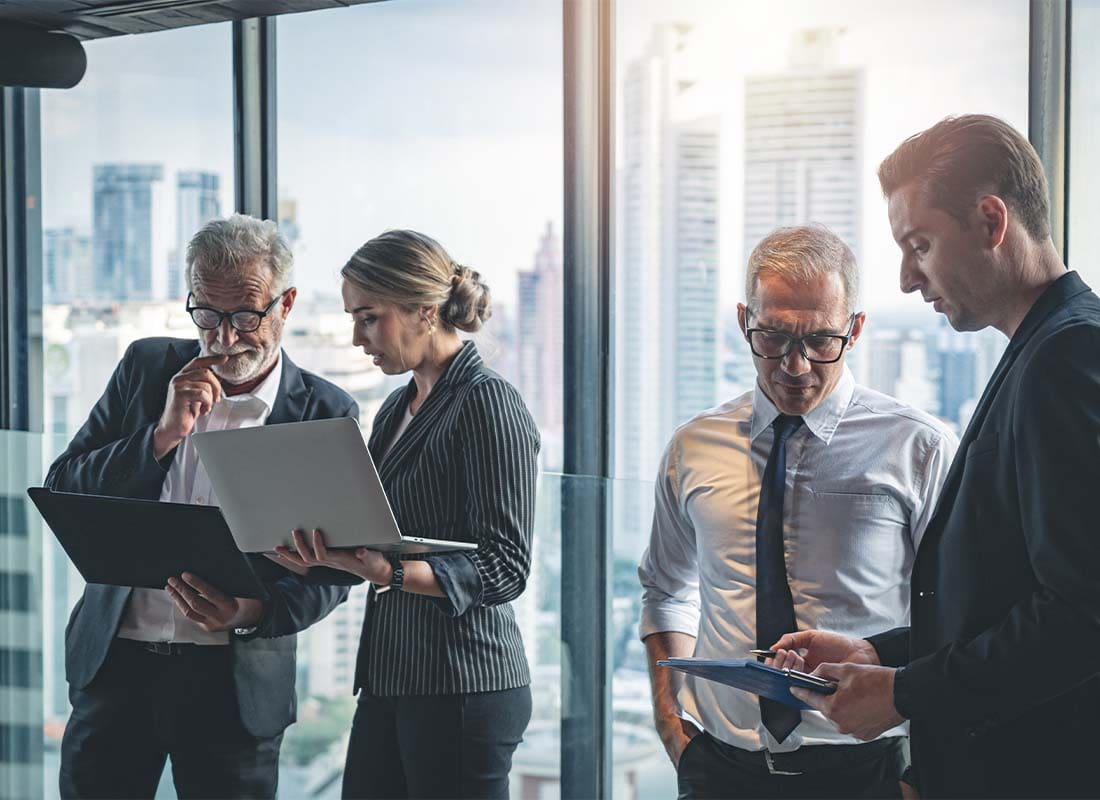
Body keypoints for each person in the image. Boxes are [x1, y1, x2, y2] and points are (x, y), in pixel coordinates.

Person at [776, 115, 1100, 799]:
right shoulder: (1043, 348)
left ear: (990, 221)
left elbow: (1081, 613)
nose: (904, 278)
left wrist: (904, 693)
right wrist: (881, 655)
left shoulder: (1063, 359)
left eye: (919, 244)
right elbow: (1005, 593)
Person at [638, 224, 958, 799]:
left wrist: (919, 778)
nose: (795, 365)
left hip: (866, 770)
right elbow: (666, 588)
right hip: (720, 768)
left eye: (819, 340)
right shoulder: (695, 445)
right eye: (775, 337)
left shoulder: (920, 447)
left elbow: (960, 612)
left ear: (855, 329)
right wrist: (671, 720)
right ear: (744, 321)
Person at [46, 214, 356, 799]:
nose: (224, 337)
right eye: (207, 315)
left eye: (244, 315)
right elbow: (64, 486)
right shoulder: (146, 367)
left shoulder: (323, 409)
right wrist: (160, 435)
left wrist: (247, 611)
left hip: (234, 687)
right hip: (117, 668)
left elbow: (336, 570)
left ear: (285, 304)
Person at [269, 229, 540, 799]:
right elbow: (374, 537)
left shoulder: (488, 401)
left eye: (369, 318)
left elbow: (507, 568)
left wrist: (387, 573)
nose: (356, 337)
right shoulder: (397, 407)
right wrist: (318, 553)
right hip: (393, 677)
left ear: (423, 309)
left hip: (463, 682)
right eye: (352, 318)